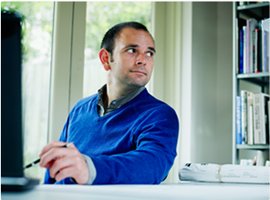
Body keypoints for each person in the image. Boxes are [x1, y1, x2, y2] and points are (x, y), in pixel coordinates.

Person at [39, 21, 179, 185]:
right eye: (132, 50)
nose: (143, 60)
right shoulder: (80, 109)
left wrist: (89, 168)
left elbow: (152, 165)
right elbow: (55, 173)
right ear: (106, 58)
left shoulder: (160, 115)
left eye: (149, 53)